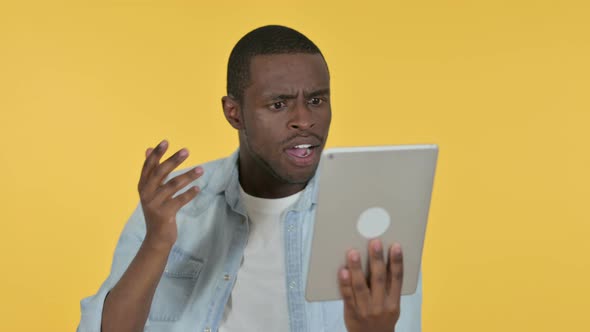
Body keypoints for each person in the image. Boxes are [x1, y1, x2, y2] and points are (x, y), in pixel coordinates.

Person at [78, 25, 422, 332]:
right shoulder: (174, 203)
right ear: (234, 112)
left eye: (316, 100)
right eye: (278, 105)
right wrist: (156, 241)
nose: (304, 119)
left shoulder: (370, 217)